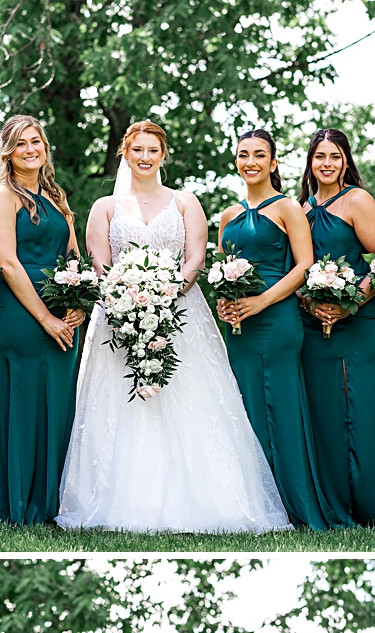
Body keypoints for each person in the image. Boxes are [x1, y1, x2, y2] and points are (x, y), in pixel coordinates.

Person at [56, 119, 290, 534]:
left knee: (191, 397)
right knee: (123, 403)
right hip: (118, 317)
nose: (145, 157)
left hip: (182, 313)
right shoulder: (104, 207)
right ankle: (124, 501)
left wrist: (166, 296)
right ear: (124, 154)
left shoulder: (185, 202)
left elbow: (196, 259)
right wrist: (127, 301)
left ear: (164, 155)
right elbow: (100, 265)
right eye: (137, 150)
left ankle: (207, 500)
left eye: (153, 150)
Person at [214, 128, 346, 530]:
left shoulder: (289, 207)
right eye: (242, 154)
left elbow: (304, 265)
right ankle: (259, 506)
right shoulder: (228, 216)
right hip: (240, 329)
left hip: (277, 319)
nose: (250, 161)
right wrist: (225, 304)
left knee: (282, 409)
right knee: (247, 408)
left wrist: (261, 301)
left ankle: (298, 507)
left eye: (259, 155)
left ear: (273, 163)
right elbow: (222, 270)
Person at [297, 130, 375, 526]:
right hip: (312, 325)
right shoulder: (302, 208)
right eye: (319, 157)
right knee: (322, 412)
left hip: (360, 320)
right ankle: (332, 505)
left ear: (346, 161)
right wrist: (311, 303)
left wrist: (350, 303)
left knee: (361, 409)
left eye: (335, 156)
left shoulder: (358, 200)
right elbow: (296, 267)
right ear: (310, 162)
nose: (327, 164)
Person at [0, 116, 85, 524]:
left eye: (36, 142)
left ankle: (51, 505)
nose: (30, 150)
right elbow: (7, 261)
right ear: (8, 151)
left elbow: (73, 254)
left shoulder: (57, 197)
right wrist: (44, 318)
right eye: (20, 144)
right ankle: (15, 505)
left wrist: (77, 301)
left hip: (63, 311)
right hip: (22, 315)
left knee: (57, 405)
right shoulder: (1, 196)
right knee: (22, 404)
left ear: (45, 148)